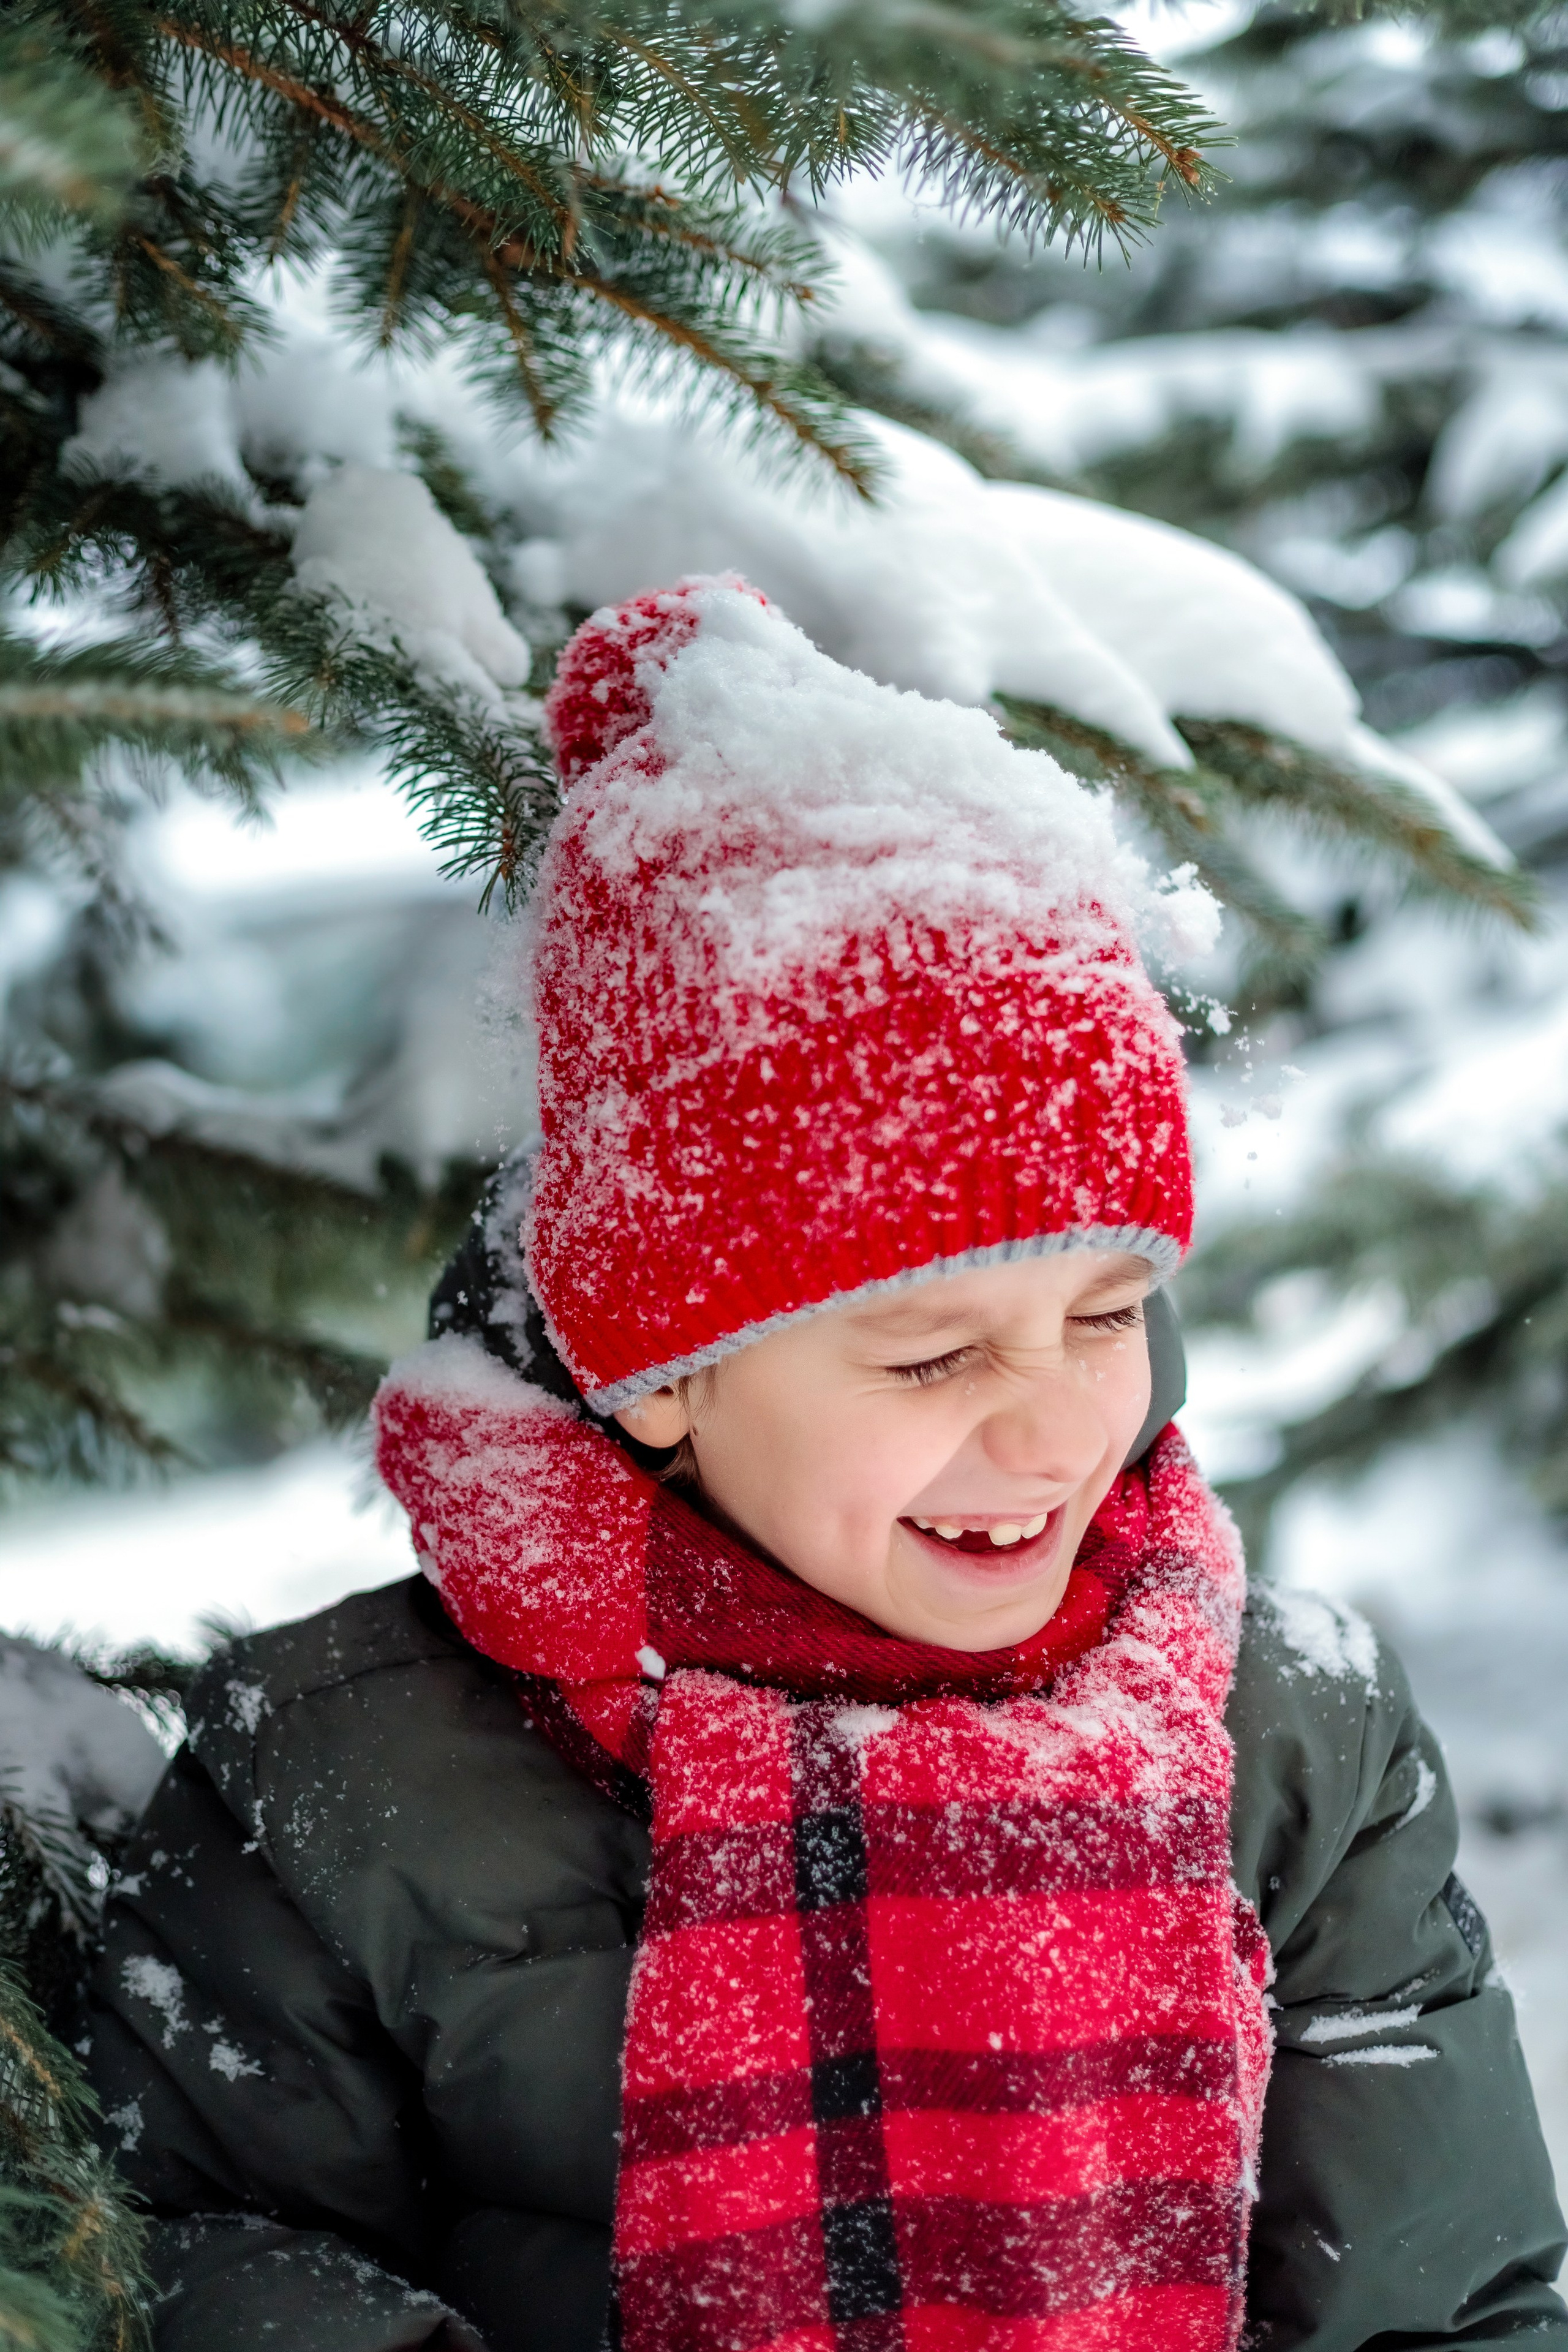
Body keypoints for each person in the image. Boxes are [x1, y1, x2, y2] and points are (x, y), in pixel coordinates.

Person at [89, 580, 1567, 2352]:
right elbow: (196, 2264)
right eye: (931, 1351)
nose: (1050, 1435)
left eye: (1106, 1315)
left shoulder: (1288, 1741)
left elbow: (1452, 2306)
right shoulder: (346, 1779)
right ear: (663, 1373)